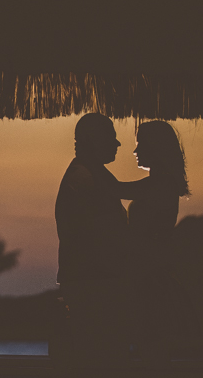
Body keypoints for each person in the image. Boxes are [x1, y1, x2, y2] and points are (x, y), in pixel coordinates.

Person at [107, 120, 191, 362]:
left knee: (151, 340)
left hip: (150, 273)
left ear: (156, 148)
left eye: (140, 145)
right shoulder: (162, 184)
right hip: (151, 270)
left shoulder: (159, 184)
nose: (135, 152)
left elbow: (115, 189)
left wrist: (90, 172)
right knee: (151, 342)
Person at [54, 113, 130, 364]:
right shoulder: (84, 179)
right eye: (111, 136)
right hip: (93, 287)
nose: (117, 143)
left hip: (92, 284)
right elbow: (101, 236)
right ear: (92, 140)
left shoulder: (91, 176)